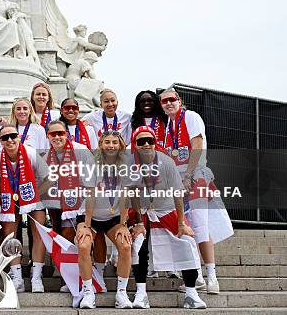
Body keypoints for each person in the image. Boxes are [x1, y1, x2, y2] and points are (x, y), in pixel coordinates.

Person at [160, 88, 233, 294]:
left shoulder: (190, 117)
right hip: (179, 181)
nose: (168, 103)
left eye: (171, 99)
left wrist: (189, 175)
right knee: (188, 226)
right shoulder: (169, 126)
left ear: (179, 100)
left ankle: (212, 277)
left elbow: (198, 144)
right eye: (164, 101)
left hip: (195, 177)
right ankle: (198, 276)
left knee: (200, 226)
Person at [128, 126, 206, 309]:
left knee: (186, 242)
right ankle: (141, 294)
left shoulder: (166, 162)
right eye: (141, 141)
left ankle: (191, 294)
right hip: (141, 212)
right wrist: (138, 223)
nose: (146, 144)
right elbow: (132, 194)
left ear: (155, 142)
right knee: (139, 245)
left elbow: (177, 193)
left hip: (166, 209)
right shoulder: (129, 164)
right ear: (135, 144)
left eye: (150, 140)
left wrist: (181, 223)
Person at [73, 130, 133, 309]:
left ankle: (121, 294)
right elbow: (90, 197)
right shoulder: (93, 164)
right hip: (90, 215)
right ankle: (88, 292)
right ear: (101, 144)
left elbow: (125, 198)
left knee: (125, 244)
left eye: (115, 142)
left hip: (113, 217)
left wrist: (123, 225)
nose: (111, 146)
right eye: (107, 142)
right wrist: (87, 226)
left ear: (120, 145)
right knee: (83, 245)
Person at [0, 124, 48, 293]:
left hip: (33, 194)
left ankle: (36, 277)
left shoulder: (31, 153)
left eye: (13, 136)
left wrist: (34, 195)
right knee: (9, 234)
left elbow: (50, 178)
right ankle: (17, 277)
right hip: (10, 196)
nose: (9, 140)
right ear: (0, 141)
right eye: (5, 137)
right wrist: (6, 190)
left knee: (38, 233)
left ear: (19, 137)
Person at [39, 121, 94, 244]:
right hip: (58, 203)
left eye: (60, 133)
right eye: (53, 134)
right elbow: (43, 184)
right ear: (48, 136)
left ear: (67, 134)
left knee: (70, 233)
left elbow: (92, 181)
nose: (57, 137)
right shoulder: (46, 157)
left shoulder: (81, 150)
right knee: (61, 233)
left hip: (83, 200)